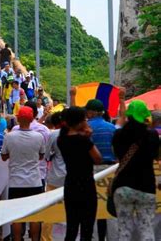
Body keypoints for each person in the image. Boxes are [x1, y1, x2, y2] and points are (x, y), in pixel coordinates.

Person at [112, 100, 159, 241]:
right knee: (146, 228)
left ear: (129, 114)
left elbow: (116, 155)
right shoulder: (152, 135)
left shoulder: (119, 134)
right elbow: (156, 155)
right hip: (146, 186)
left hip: (122, 186)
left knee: (124, 229)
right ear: (144, 114)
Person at [57, 107, 102, 241]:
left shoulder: (62, 139)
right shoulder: (84, 140)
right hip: (86, 184)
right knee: (87, 227)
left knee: (72, 226)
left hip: (70, 184)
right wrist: (88, 136)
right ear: (80, 121)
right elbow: (98, 158)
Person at [2, 106, 45, 241]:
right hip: (35, 181)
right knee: (35, 216)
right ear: (32, 119)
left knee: (16, 217)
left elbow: (3, 157)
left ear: (18, 119)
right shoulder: (39, 137)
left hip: (16, 182)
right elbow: (41, 156)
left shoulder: (9, 136)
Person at [84, 99, 116, 240]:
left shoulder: (86, 128)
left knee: (93, 207)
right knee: (110, 207)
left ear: (91, 112)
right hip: (110, 170)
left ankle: (96, 238)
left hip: (92, 170)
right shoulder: (112, 128)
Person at [41, 112, 66, 241]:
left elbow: (46, 155)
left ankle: (46, 238)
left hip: (55, 176)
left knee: (49, 208)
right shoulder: (75, 133)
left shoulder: (53, 135)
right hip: (71, 177)